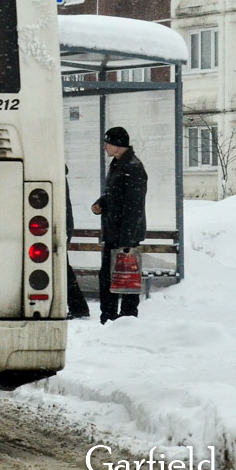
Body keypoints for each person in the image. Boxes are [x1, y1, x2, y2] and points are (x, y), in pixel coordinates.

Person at [90, 126, 147, 324]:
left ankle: (127, 319)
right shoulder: (117, 164)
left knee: (127, 279)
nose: (105, 147)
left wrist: (126, 241)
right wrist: (101, 203)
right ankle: (108, 317)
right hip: (114, 233)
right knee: (108, 278)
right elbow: (112, 194)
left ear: (118, 145)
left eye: (107, 143)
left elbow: (134, 206)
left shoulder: (133, 167)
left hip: (125, 236)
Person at [64, 167, 90, 319]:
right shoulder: (57, 172)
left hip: (61, 226)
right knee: (62, 268)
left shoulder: (52, 172)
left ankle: (79, 307)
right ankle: (78, 306)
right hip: (64, 225)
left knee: (62, 269)